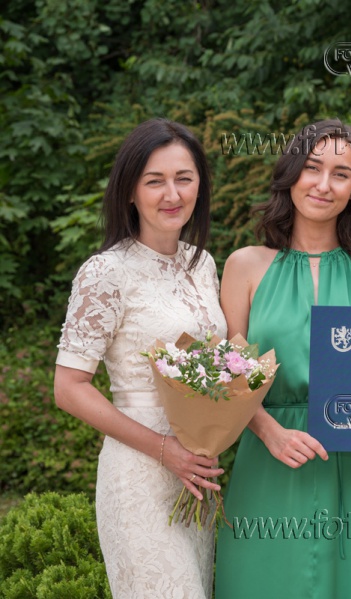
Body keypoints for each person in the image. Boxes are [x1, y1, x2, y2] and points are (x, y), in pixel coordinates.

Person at [214, 119, 351, 598]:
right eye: (312, 168)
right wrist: (269, 431)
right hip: (268, 456)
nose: (324, 184)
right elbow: (229, 375)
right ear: (291, 174)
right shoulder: (244, 265)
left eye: (341, 174)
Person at [54, 118, 227, 598]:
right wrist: (164, 449)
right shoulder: (106, 272)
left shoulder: (203, 265)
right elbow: (68, 388)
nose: (172, 194)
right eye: (155, 181)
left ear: (199, 185)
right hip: (139, 476)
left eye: (184, 178)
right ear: (130, 190)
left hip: (195, 475)